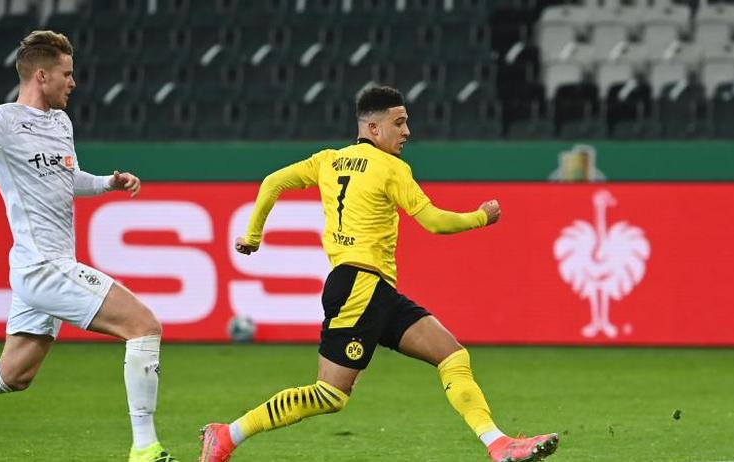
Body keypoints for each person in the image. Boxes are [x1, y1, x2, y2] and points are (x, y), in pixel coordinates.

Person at [198, 85, 559, 462]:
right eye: (398, 123)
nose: (407, 132)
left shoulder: (328, 160)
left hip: (371, 289)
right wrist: (481, 217)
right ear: (373, 127)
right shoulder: (390, 168)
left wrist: (253, 236)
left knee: (451, 355)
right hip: (359, 287)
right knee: (329, 394)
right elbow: (435, 222)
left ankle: (498, 444)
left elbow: (273, 181)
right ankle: (226, 435)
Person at [0, 31, 178, 462]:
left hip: (45, 267)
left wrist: (106, 183)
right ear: (41, 76)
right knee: (144, 326)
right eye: (66, 74)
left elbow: (67, 177)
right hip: (43, 266)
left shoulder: (61, 123)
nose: (73, 82)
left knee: (13, 374)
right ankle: (145, 448)